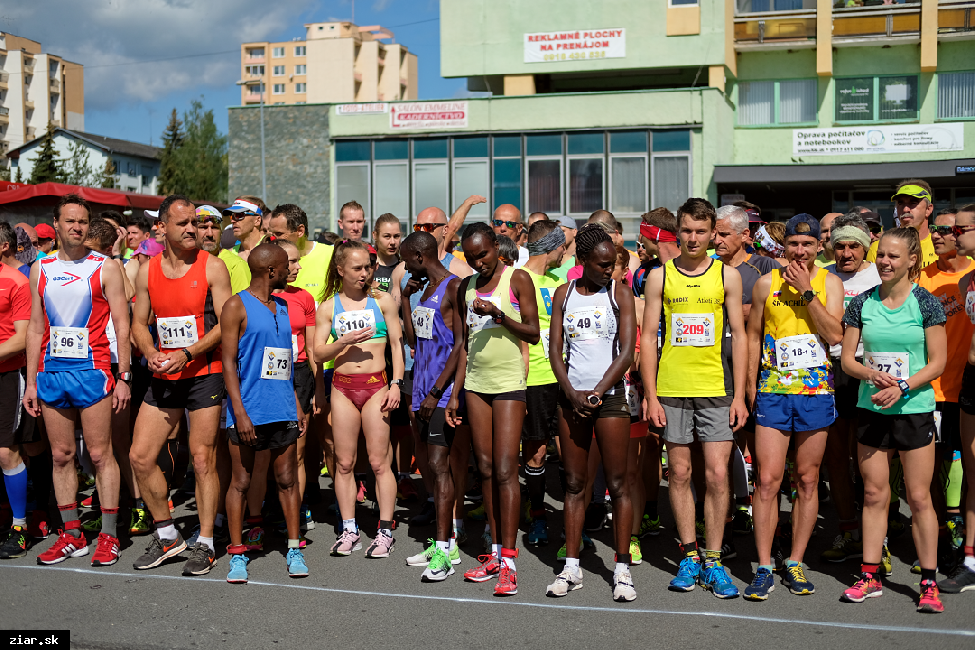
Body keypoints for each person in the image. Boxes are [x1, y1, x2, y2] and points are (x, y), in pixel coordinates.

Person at [641, 198, 747, 599]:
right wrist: (650, 395)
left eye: (702, 232)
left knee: (718, 475)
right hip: (672, 387)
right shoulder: (659, 277)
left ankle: (715, 559)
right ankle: (689, 555)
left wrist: (739, 394)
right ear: (678, 231)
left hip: (716, 388)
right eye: (686, 230)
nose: (693, 238)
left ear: (712, 233)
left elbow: (739, 336)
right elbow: (649, 338)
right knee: (680, 474)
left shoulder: (727, 277)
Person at [838, 227, 947, 613]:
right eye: (881, 255)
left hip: (914, 409)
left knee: (918, 498)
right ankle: (869, 576)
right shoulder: (862, 303)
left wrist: (902, 385)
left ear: (912, 260)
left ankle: (929, 582)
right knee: (872, 494)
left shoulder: (926, 304)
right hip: (872, 409)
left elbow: (938, 361)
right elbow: (847, 358)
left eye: (894, 256)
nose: (885, 261)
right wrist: (870, 375)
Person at [24, 195, 132, 567]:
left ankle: (108, 535)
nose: (77, 227)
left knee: (101, 455)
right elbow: (36, 326)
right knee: (61, 455)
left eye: (83, 222)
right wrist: (31, 383)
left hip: (95, 371)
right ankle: (71, 534)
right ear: (55, 223)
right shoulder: (40, 267)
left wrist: (124, 376)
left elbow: (122, 323)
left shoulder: (105, 266)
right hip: (51, 373)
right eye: (70, 221)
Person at [129, 194, 232, 576]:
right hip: (163, 373)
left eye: (195, 222)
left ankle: (205, 542)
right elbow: (139, 322)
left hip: (204, 372)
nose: (192, 229)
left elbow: (226, 324)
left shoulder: (213, 267)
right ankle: (168, 534)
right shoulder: (147, 270)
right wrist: (151, 350)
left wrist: (187, 353)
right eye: (183, 224)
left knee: (202, 458)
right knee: (140, 456)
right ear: (162, 228)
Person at [744, 213, 844, 600]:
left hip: (816, 391)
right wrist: (749, 389)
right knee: (767, 481)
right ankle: (765, 565)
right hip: (772, 390)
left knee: (806, 478)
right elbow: (753, 337)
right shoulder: (766, 283)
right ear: (783, 247)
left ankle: (796, 562)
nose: (800, 251)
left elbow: (835, 333)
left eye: (808, 244)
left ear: (820, 246)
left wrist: (806, 290)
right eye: (793, 245)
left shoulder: (829, 282)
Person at [545, 223, 636, 601]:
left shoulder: (621, 293)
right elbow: (554, 350)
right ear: (581, 261)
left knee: (618, 484)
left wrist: (597, 392)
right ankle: (571, 566)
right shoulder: (564, 294)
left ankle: (622, 569)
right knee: (574, 483)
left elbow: (628, 351)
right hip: (572, 398)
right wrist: (572, 392)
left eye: (612, 264)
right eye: (601, 265)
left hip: (610, 398)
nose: (609, 271)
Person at [448, 222, 539, 596]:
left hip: (509, 384)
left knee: (505, 469)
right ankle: (495, 552)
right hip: (475, 385)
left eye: (482, 254)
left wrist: (499, 315)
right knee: (484, 469)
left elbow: (533, 332)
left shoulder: (517, 279)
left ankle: (510, 563)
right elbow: (464, 344)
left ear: (496, 248)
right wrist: (455, 392)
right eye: (470, 258)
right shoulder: (465, 287)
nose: (477, 263)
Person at [221, 243, 308, 583]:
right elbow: (228, 362)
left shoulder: (284, 307)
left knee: (287, 480)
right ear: (271, 271)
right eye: (286, 265)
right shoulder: (235, 305)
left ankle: (293, 547)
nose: (290, 270)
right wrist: (239, 412)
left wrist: (297, 404)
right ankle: (237, 554)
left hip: (283, 406)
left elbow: (284, 359)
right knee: (240, 482)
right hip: (248, 410)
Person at [314, 240, 404, 558]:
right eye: (357, 268)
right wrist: (344, 342)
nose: (365, 273)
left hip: (377, 386)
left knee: (379, 463)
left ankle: (384, 531)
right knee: (345, 462)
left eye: (368, 267)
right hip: (342, 388)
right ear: (340, 270)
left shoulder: (382, 303)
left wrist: (396, 383)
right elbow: (317, 352)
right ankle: (350, 529)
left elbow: (396, 345)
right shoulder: (328, 307)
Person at [399, 231, 465, 580]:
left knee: (440, 466)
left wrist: (437, 392)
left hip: (441, 393)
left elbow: (460, 345)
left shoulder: (454, 288)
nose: (406, 267)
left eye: (407, 260)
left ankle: (444, 548)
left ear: (421, 257)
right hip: (421, 388)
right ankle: (446, 543)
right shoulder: (423, 289)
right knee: (432, 465)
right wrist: (406, 301)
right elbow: (413, 340)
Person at [819, 214, 882, 566]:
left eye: (853, 246)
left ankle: (879, 536)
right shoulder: (825, 277)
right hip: (832, 371)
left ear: (866, 245)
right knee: (837, 457)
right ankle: (848, 530)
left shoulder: (879, 274)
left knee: (872, 460)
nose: (845, 253)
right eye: (839, 245)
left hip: (870, 371)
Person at [916, 208, 972, 573]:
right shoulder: (923, 277)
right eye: (934, 230)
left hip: (964, 386)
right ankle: (936, 535)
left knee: (969, 466)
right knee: (929, 469)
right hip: (931, 389)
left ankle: (962, 537)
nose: (936, 235)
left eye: (945, 230)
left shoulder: (970, 277)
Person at [518, 220, 567, 547]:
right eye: (562, 244)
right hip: (534, 379)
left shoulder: (560, 280)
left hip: (564, 379)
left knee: (569, 454)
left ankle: (570, 525)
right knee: (535, 455)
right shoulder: (519, 280)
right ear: (550, 247)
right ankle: (537, 516)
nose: (566, 249)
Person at [941, 203, 975, 594]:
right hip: (971, 380)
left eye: (960, 229)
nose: (954, 235)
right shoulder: (970, 281)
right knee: (972, 470)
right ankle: (969, 560)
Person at [0, 223, 38, 559]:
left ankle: (20, 526)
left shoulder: (17, 282)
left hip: (9, 375)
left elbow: (22, 337)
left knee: (7, 452)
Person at [713, 205, 779, 321]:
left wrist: (755, 310)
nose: (717, 241)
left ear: (744, 235)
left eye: (724, 234)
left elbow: (786, 305)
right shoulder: (710, 269)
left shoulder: (766, 265)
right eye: (714, 235)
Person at [866, 180, 938, 268]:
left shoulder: (940, 246)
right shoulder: (879, 248)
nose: (905, 209)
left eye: (913, 202)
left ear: (928, 209)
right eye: (900, 203)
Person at [197, 206, 250, 295]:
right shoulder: (183, 262)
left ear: (221, 232)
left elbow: (243, 306)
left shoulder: (236, 265)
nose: (210, 234)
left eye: (214, 228)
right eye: (203, 227)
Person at [633, 208, 680, 299]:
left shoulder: (692, 268)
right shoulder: (642, 273)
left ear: (653, 236)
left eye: (643, 234)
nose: (642, 240)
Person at [223, 197, 267, 262]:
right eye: (232, 216)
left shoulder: (273, 248)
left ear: (257, 220)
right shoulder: (227, 256)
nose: (233, 220)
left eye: (239, 215)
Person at [372, 213, 402, 293]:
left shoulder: (405, 267)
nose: (392, 242)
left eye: (396, 236)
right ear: (375, 236)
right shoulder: (366, 266)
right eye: (387, 236)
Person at [551, 216, 578, 280]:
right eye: (556, 231)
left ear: (574, 232)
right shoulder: (552, 262)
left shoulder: (579, 261)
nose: (558, 235)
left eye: (562, 231)